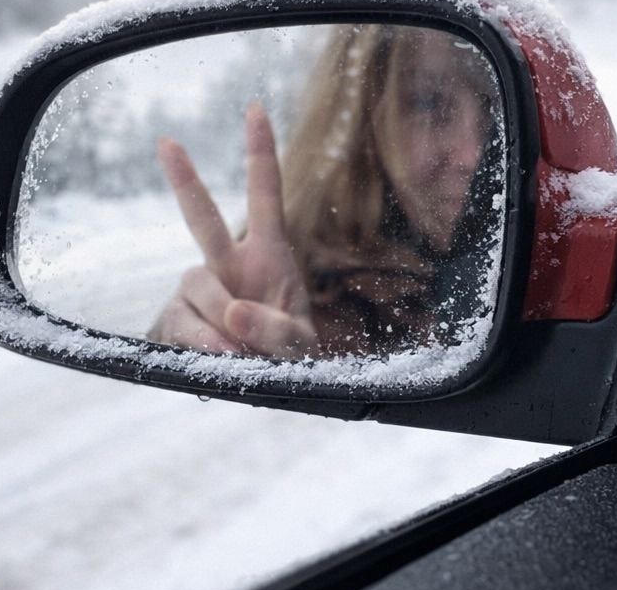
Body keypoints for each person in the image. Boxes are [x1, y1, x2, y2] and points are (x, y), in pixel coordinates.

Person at [148, 23, 501, 359]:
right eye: (427, 103)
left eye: (495, 108)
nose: (472, 154)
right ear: (362, 129)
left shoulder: (540, 249)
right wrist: (229, 333)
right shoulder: (308, 287)